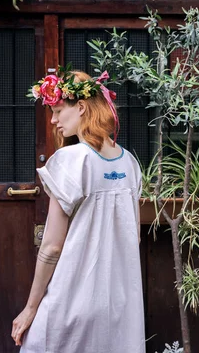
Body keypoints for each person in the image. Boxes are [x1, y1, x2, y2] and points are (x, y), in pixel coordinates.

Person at [11, 69, 145, 353]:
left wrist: (30, 308)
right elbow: (134, 238)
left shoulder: (72, 160)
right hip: (119, 305)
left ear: (81, 107)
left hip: (72, 297)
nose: (53, 120)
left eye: (58, 110)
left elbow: (51, 248)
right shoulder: (130, 164)